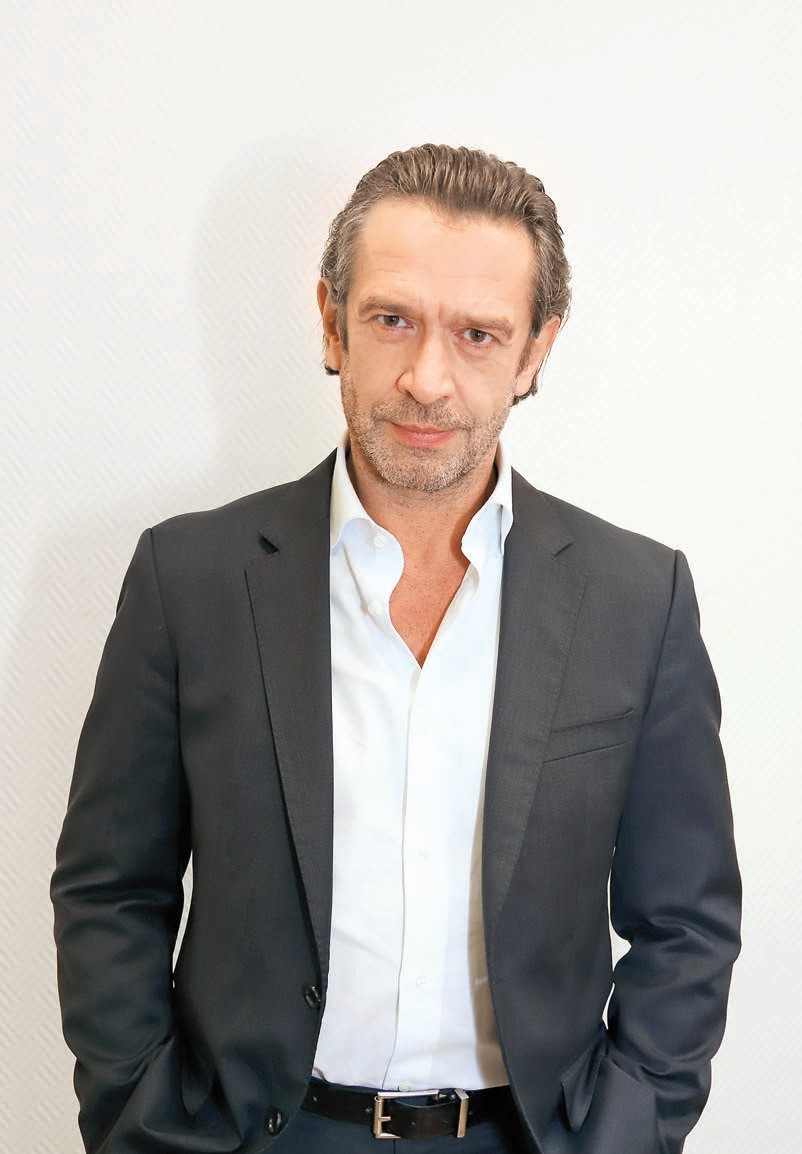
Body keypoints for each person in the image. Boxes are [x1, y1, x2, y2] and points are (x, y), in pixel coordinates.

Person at [52, 144, 741, 1154]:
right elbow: (111, 888)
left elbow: (687, 921)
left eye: (477, 334)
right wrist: (143, 1122)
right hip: (258, 1136)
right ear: (332, 322)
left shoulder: (639, 599)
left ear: (535, 351)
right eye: (391, 320)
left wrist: (627, 1129)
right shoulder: (188, 579)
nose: (426, 378)